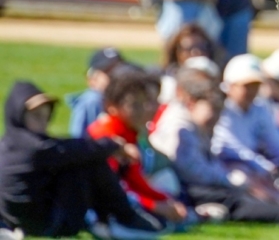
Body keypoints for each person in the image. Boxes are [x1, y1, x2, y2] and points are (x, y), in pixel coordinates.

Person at [150, 67, 279, 227]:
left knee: (253, 194)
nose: (215, 116)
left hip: (207, 186)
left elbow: (276, 143)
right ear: (191, 103)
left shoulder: (199, 121)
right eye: (212, 110)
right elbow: (193, 171)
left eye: (218, 110)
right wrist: (233, 182)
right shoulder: (181, 128)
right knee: (251, 202)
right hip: (189, 192)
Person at [0, 81, 163, 239]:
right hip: (45, 226)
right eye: (36, 116)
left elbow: (67, 148)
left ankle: (116, 218)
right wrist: (115, 145)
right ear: (18, 115)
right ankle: (123, 219)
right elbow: (79, 149)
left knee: (78, 159)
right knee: (88, 162)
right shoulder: (34, 148)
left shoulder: (9, 144)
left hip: (22, 223)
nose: (43, 122)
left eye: (45, 115)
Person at [87, 68, 189, 228]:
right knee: (158, 225)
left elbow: (134, 179)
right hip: (103, 205)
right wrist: (155, 205)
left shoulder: (130, 132)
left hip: (125, 198)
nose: (142, 111)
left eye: (144, 104)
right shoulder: (106, 136)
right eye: (134, 106)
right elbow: (113, 189)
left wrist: (165, 200)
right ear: (111, 106)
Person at [211, 54, 279, 181]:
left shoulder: (258, 107)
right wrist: (265, 167)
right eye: (246, 86)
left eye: (255, 86)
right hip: (226, 165)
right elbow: (235, 149)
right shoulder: (221, 109)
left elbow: (276, 139)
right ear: (230, 86)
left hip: (252, 165)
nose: (252, 91)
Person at [68, 47, 124, 138]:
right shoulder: (92, 101)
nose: (116, 75)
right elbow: (78, 139)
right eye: (109, 72)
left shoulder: (121, 97)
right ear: (92, 79)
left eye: (119, 70)